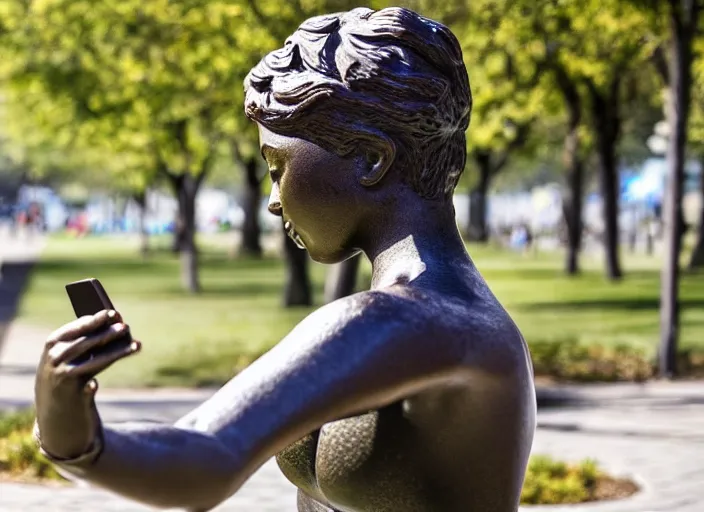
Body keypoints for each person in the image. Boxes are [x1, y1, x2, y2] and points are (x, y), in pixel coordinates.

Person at [33, 8, 535, 512]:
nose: (274, 200)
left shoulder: (406, 320)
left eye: (279, 166)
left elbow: (205, 459)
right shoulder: (437, 315)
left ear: (370, 159)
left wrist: (71, 437)